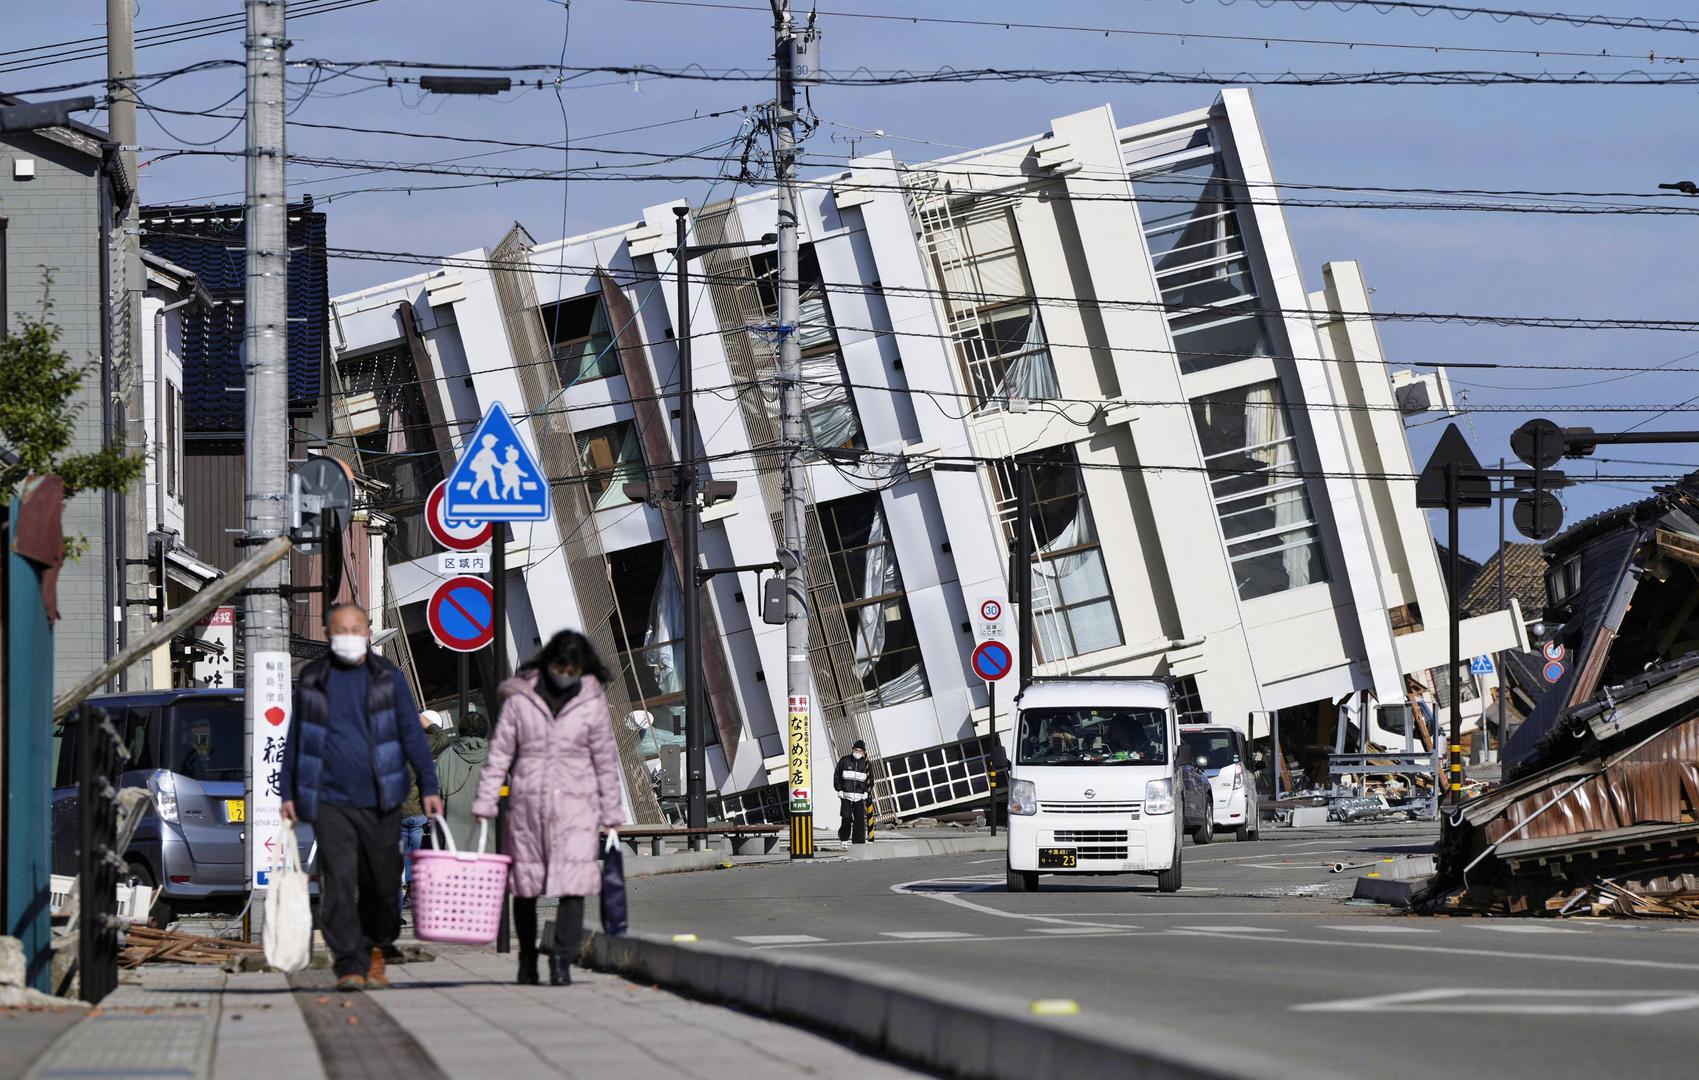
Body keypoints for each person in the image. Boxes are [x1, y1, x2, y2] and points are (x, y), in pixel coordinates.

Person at [280, 603, 442, 993]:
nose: (350, 635)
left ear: (368, 632)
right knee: (338, 881)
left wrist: (430, 785)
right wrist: (288, 790)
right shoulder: (314, 679)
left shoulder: (388, 677)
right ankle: (348, 962)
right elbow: (297, 738)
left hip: (382, 797)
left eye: (356, 628)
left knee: (382, 881)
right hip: (329, 798)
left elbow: (411, 733)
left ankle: (375, 951)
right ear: (327, 632)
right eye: (341, 629)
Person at [473, 630, 623, 986]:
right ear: (549, 662)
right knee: (525, 886)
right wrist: (485, 800)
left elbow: (604, 758)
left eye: (573, 668)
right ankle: (527, 957)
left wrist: (612, 813)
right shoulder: (520, 699)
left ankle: (560, 957)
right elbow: (499, 754)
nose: (565, 673)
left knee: (573, 886)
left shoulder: (591, 700)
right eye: (560, 665)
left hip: (576, 806)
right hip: (528, 805)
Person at [398, 710, 453, 915]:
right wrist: (428, 724)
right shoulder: (420, 747)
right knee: (419, 856)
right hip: (418, 812)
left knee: (399, 860)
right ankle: (419, 895)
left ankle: (399, 903)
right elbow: (443, 738)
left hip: (397, 812)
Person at [438, 708, 490, 847]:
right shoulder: (496, 758)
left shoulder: (445, 757)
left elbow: (436, 794)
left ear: (460, 729)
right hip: (490, 840)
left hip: (454, 844)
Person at [834, 740, 871, 845]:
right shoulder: (844, 761)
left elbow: (870, 780)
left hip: (860, 796)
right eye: (856, 750)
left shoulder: (867, 764)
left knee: (859, 820)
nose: (857, 752)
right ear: (852, 749)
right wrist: (839, 789)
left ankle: (858, 842)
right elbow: (837, 776)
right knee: (846, 817)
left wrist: (866, 792)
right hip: (846, 795)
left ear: (863, 752)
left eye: (860, 751)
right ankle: (844, 838)